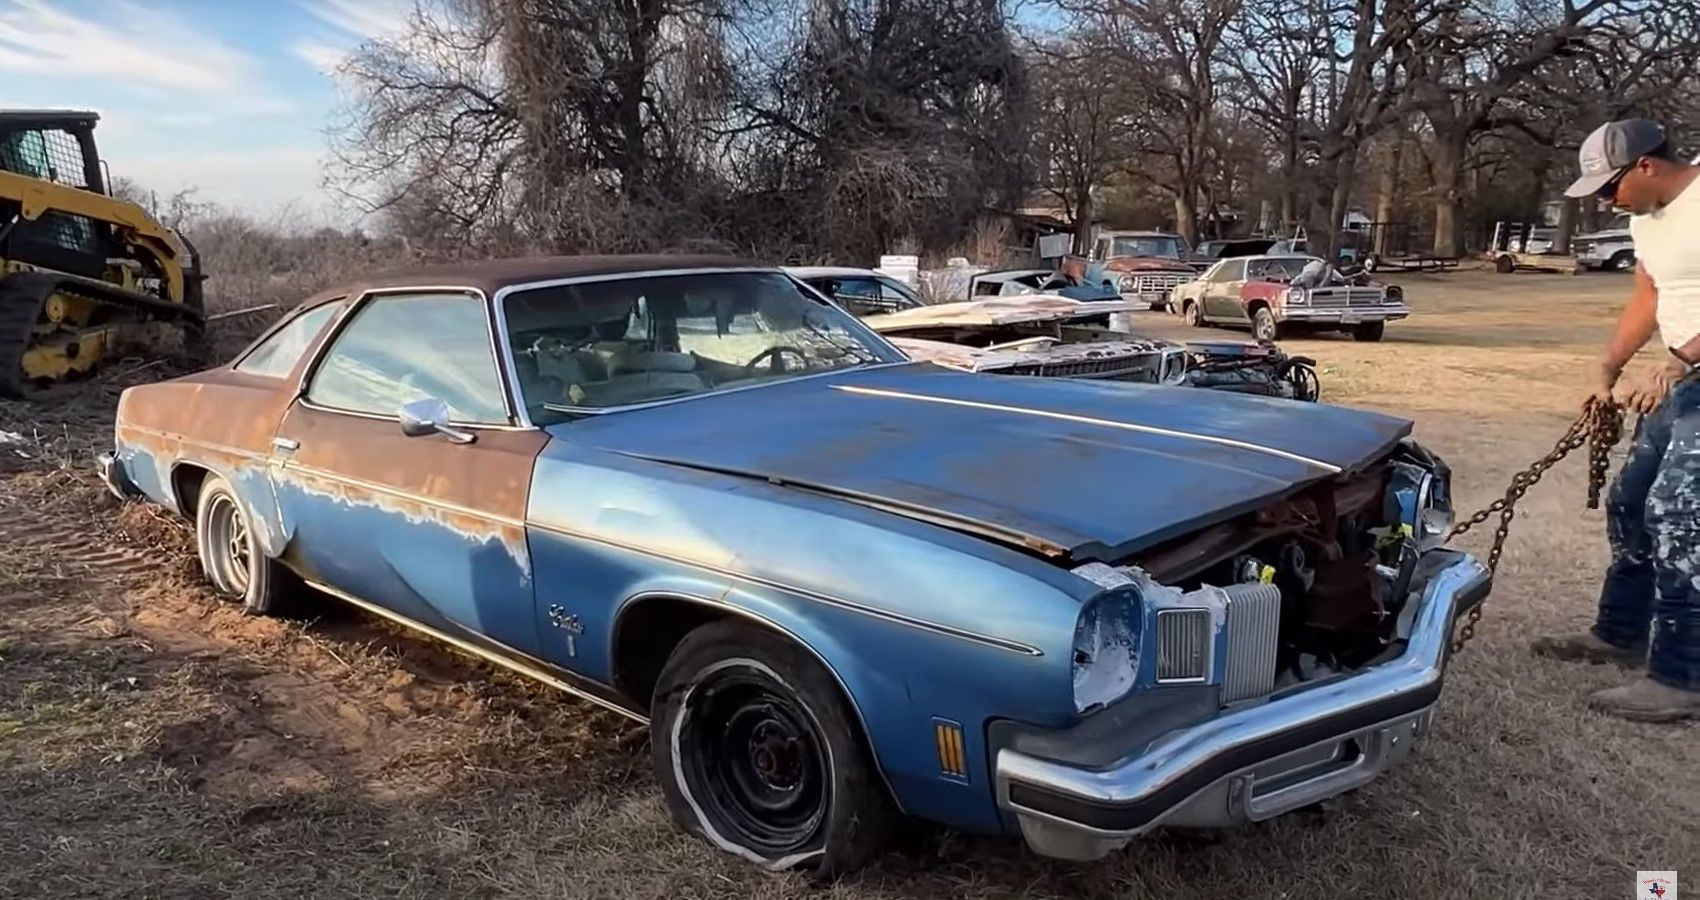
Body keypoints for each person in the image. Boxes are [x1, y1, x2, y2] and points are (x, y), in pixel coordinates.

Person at [1530, 118, 1700, 722]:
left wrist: (1679, 360)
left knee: (1679, 514)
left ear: (1647, 166)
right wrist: (1607, 367)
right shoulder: (1645, 220)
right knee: (1629, 501)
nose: (1606, 200)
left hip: (1689, 375)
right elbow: (1648, 299)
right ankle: (1621, 632)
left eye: (1610, 187)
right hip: (1680, 382)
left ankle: (1682, 676)